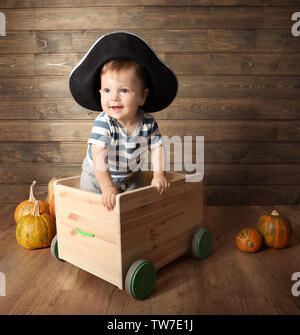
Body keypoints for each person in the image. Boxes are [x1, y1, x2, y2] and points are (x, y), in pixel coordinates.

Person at [69, 32, 178, 211]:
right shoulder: (104, 123)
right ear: (100, 93)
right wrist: (106, 187)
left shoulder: (148, 123)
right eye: (107, 90)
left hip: (131, 175)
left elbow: (158, 147)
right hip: (97, 177)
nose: (114, 98)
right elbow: (99, 159)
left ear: (143, 96)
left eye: (124, 91)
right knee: (94, 209)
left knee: (141, 205)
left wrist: (159, 174)